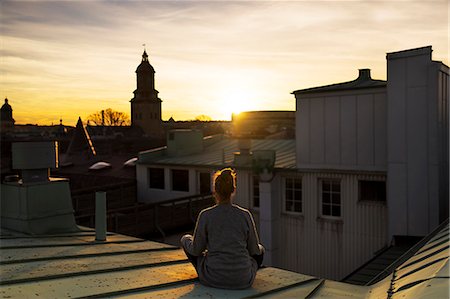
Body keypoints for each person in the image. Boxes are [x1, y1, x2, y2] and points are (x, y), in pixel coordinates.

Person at [180, 168, 264, 289]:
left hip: (212, 278)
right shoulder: (245, 215)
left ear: (215, 190)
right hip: (243, 280)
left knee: (187, 240)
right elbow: (254, 251)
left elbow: (196, 250)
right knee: (261, 250)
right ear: (233, 190)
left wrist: (185, 239)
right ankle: (240, 271)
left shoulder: (206, 215)